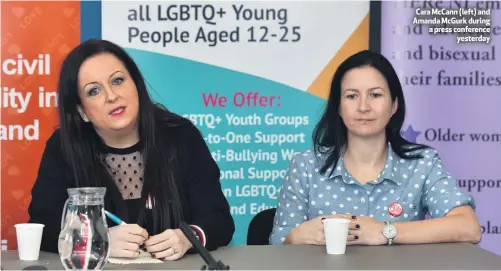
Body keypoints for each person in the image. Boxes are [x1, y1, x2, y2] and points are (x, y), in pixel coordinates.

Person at [28, 39, 235, 260]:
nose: (111, 96)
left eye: (117, 80)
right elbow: (41, 228)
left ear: (136, 85)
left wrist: (187, 238)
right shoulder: (63, 147)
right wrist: (97, 241)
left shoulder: (180, 135)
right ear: (82, 111)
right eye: (94, 91)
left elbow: (218, 219)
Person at [269, 50, 481, 246]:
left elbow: (469, 227)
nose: (363, 107)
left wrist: (385, 231)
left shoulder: (422, 163)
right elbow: (277, 243)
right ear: (339, 107)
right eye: (352, 96)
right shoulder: (306, 166)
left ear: (394, 105)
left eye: (375, 95)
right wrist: (296, 237)